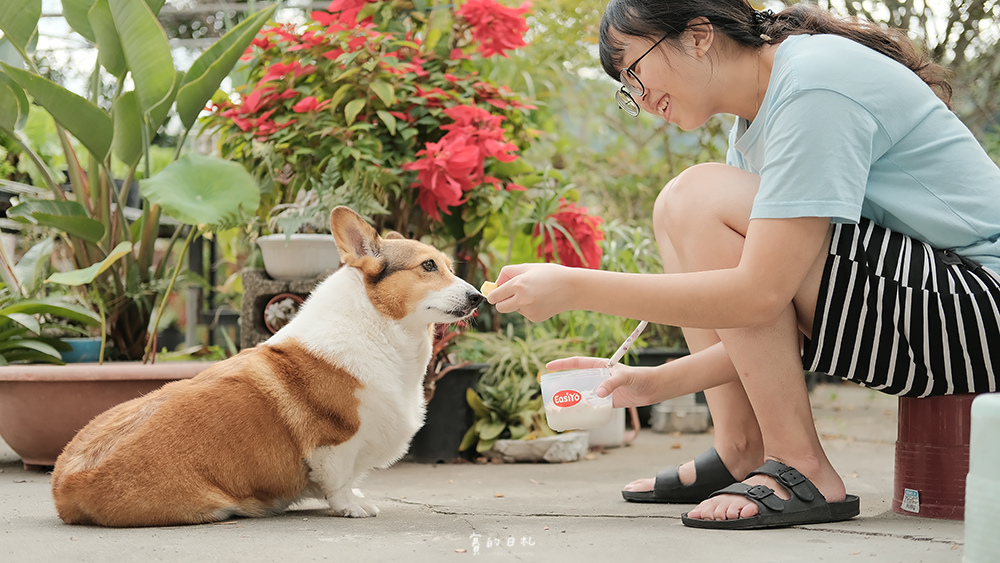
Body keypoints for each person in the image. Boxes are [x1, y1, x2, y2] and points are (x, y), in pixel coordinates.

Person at [486, 0, 1000, 530]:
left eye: (634, 71)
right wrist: (649, 383)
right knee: (676, 209)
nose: (638, 96)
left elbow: (759, 295)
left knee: (695, 198)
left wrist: (573, 286)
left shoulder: (814, 82)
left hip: (983, 312)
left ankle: (801, 466)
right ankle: (741, 450)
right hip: (933, 307)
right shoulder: (755, 124)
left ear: (699, 35)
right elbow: (766, 328)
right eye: (625, 87)